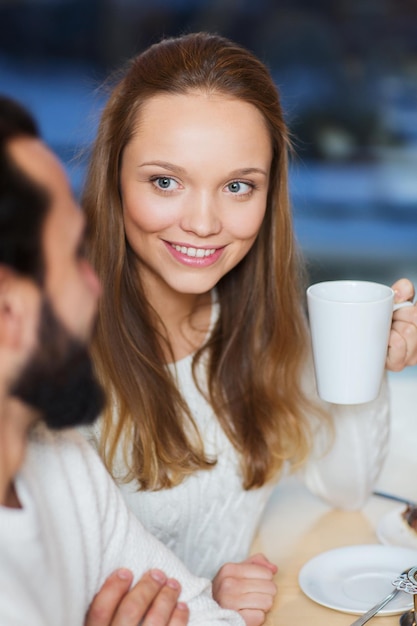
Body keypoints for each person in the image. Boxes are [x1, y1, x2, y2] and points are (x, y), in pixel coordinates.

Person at [81, 32, 417, 624]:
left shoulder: (256, 328)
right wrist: (206, 597)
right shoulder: (54, 362)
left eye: (238, 186)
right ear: (114, 179)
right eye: (166, 181)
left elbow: (346, 490)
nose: (204, 222)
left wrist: (369, 365)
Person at [0, 94, 244, 626]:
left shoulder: (62, 467)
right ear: (8, 308)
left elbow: (206, 616)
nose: (96, 285)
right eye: (72, 256)